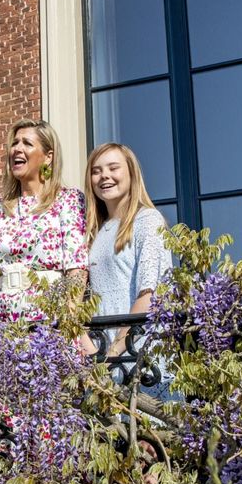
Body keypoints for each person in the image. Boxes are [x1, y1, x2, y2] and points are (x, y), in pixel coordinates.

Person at [0, 119, 88, 324]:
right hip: (1, 327)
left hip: (48, 324)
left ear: (48, 157)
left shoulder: (68, 200)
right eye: (14, 143)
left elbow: (77, 269)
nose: (17, 149)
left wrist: (67, 325)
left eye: (27, 143)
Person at [84, 143, 172, 371]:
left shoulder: (147, 220)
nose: (105, 176)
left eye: (113, 168)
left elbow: (150, 294)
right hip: (104, 359)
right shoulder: (95, 233)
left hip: (140, 356)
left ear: (131, 173)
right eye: (96, 171)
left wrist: (114, 352)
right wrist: (96, 355)